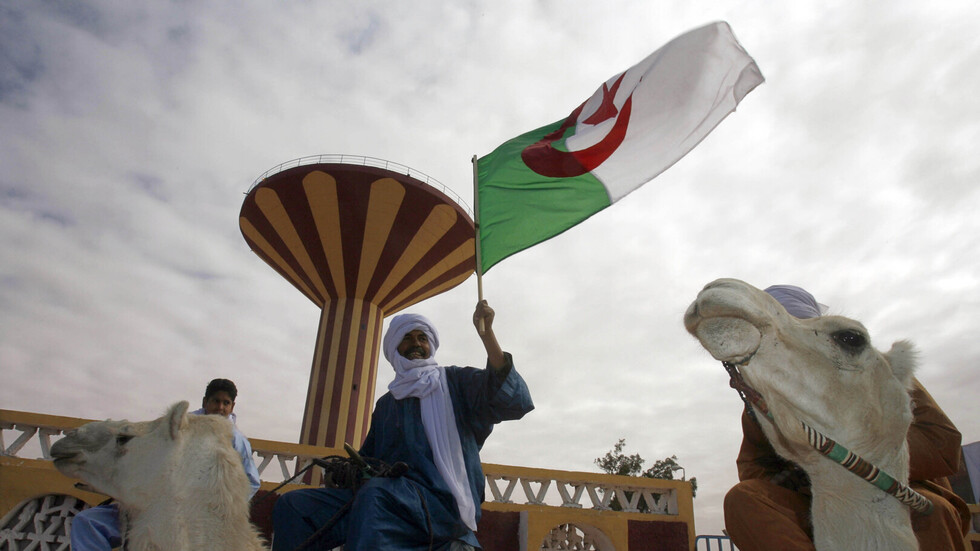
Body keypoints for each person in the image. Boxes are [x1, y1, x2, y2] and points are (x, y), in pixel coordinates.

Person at [271, 300, 534, 551]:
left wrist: (488, 337)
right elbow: (370, 460)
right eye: (407, 338)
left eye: (422, 338)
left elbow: (511, 399)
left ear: (431, 345)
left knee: (376, 497)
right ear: (394, 346)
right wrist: (348, 471)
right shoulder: (387, 403)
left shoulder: (455, 382)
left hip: (441, 503)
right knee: (294, 506)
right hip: (389, 499)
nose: (416, 344)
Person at [723, 285, 971, 551]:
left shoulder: (878, 370)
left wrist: (847, 455)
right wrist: (801, 474)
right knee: (744, 499)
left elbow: (942, 443)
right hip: (816, 501)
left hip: (900, 491)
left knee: (933, 512)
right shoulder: (763, 400)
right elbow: (754, 464)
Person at [69, 378, 261, 550]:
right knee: (87, 522)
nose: (220, 407)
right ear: (205, 402)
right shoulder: (177, 425)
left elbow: (251, 482)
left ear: (232, 407)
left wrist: (224, 510)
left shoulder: (236, 440)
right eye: (216, 401)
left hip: (194, 519)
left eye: (226, 403)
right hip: (149, 504)